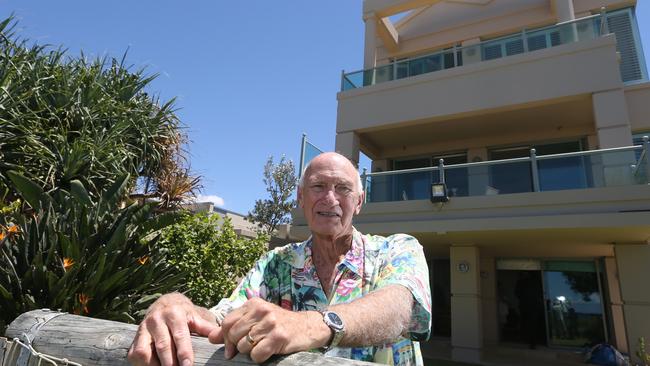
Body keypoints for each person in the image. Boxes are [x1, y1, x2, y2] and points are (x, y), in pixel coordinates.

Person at [128, 152, 432, 365]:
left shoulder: (398, 249)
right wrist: (180, 308)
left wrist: (312, 326)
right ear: (301, 198)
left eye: (343, 188)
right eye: (318, 187)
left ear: (359, 201)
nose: (330, 198)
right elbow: (223, 319)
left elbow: (400, 309)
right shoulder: (276, 263)